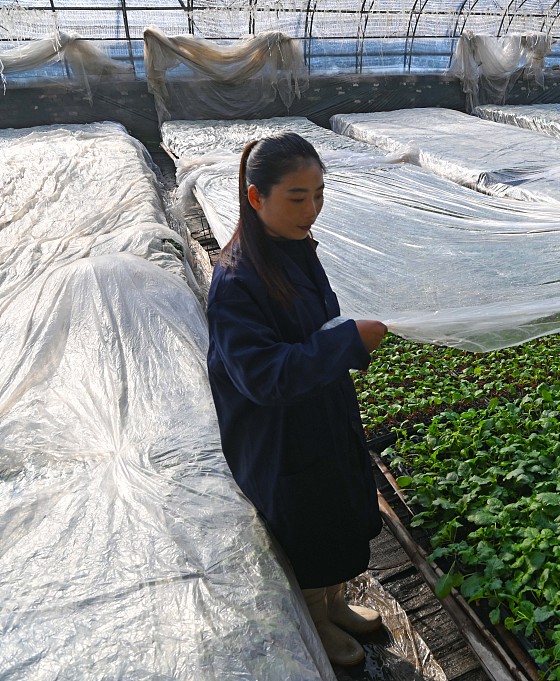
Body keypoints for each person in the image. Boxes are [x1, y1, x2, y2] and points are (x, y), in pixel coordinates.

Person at [206, 132, 389, 667]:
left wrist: (342, 341)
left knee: (333, 510)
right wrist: (348, 342)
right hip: (279, 432)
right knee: (306, 523)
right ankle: (315, 618)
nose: (312, 209)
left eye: (318, 193)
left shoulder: (296, 249)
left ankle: (334, 602)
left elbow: (316, 325)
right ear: (256, 197)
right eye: (297, 196)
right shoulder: (237, 279)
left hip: (318, 410)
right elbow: (261, 376)